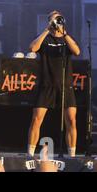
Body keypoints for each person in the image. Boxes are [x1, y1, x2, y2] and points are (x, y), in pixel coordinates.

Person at [27, 10, 81, 158]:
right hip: (47, 85)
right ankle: (30, 154)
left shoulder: (66, 38)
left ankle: (72, 155)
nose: (56, 22)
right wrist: (46, 30)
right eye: (53, 19)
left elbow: (76, 51)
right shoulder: (44, 38)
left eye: (58, 19)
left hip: (66, 85)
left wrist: (64, 34)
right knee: (36, 118)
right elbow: (32, 48)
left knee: (71, 120)